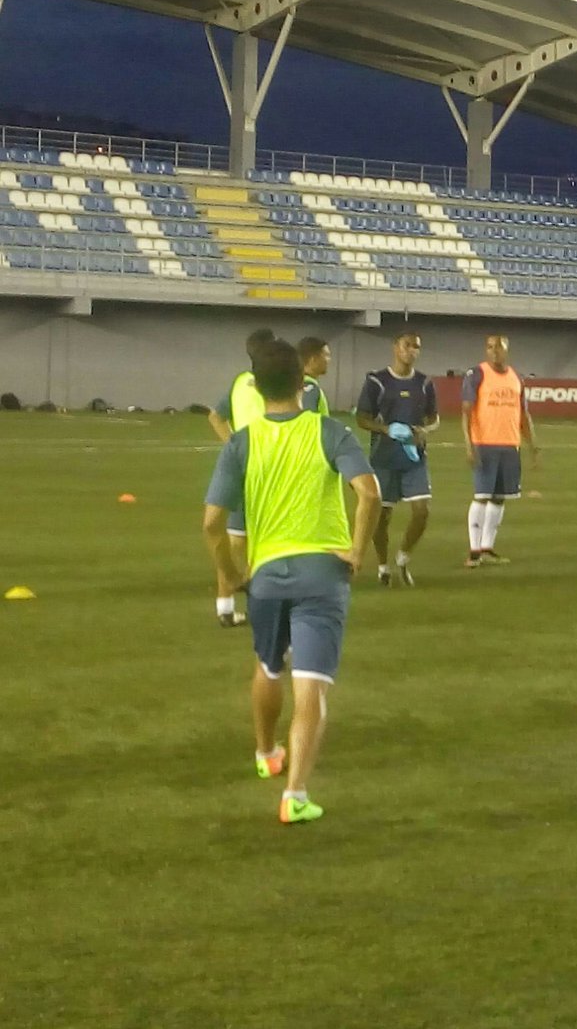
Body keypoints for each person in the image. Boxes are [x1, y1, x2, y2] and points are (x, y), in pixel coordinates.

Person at [202, 338, 381, 825]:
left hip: (266, 575)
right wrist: (357, 551)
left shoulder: (242, 441)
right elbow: (368, 494)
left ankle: (265, 754)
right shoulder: (329, 431)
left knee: (267, 665)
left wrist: (233, 573)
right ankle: (295, 794)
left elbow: (212, 523)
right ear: (304, 384)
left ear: (256, 389)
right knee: (313, 687)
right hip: (322, 573)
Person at [356, 332, 439, 586]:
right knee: (382, 517)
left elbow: (434, 418)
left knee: (422, 511)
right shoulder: (376, 381)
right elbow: (362, 417)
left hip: (414, 458)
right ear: (395, 348)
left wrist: (425, 430)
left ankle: (403, 558)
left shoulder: (425, 383)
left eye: (417, 346)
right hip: (384, 458)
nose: (412, 350)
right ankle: (383, 566)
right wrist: (387, 429)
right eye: (407, 345)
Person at [206, 327, 276, 627]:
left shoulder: (239, 382)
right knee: (269, 544)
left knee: (233, 542)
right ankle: (267, 606)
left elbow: (215, 416)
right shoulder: (275, 384)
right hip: (268, 468)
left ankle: (224, 607)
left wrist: (232, 444)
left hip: (240, 465)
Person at [462, 334, 538, 568]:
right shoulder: (477, 374)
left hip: (509, 446)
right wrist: (469, 444)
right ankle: (474, 552)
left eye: (499, 347)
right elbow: (466, 412)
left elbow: (523, 415)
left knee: (499, 498)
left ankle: (487, 548)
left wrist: (533, 445)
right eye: (490, 347)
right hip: (484, 444)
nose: (494, 351)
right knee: (481, 496)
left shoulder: (517, 378)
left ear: (507, 349)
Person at [297, 336, 332, 415]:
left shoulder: (295, 384)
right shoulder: (309, 389)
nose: (329, 359)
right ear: (313, 359)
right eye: (326, 355)